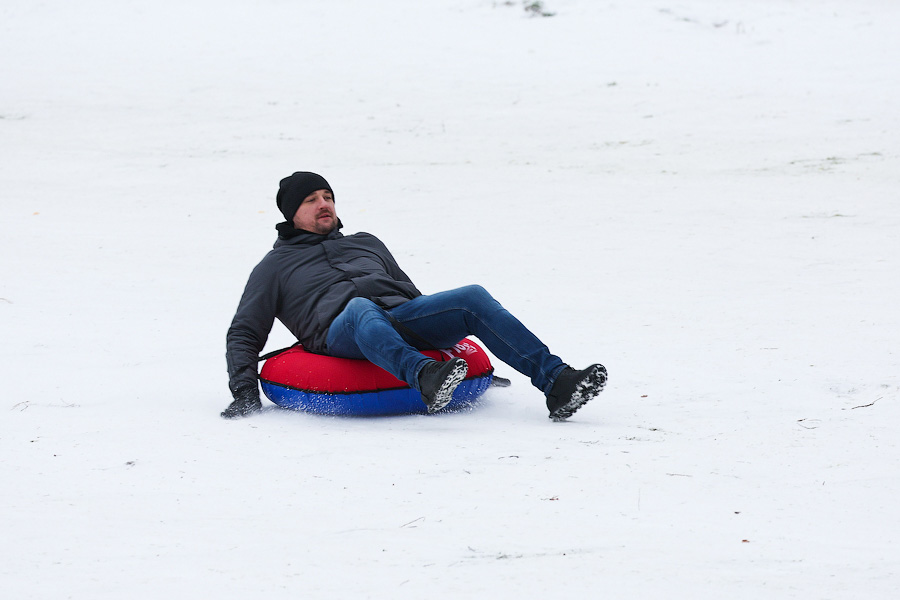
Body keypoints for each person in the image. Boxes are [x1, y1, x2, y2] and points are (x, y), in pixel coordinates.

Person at [223, 171, 607, 420]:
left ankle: (556, 381)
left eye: (328, 196)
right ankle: (424, 377)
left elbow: (410, 292)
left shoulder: (367, 242)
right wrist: (244, 391)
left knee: (470, 295)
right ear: (292, 214)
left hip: (398, 317)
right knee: (361, 307)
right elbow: (244, 331)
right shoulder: (274, 267)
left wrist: (453, 350)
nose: (324, 204)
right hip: (342, 333)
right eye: (311, 200)